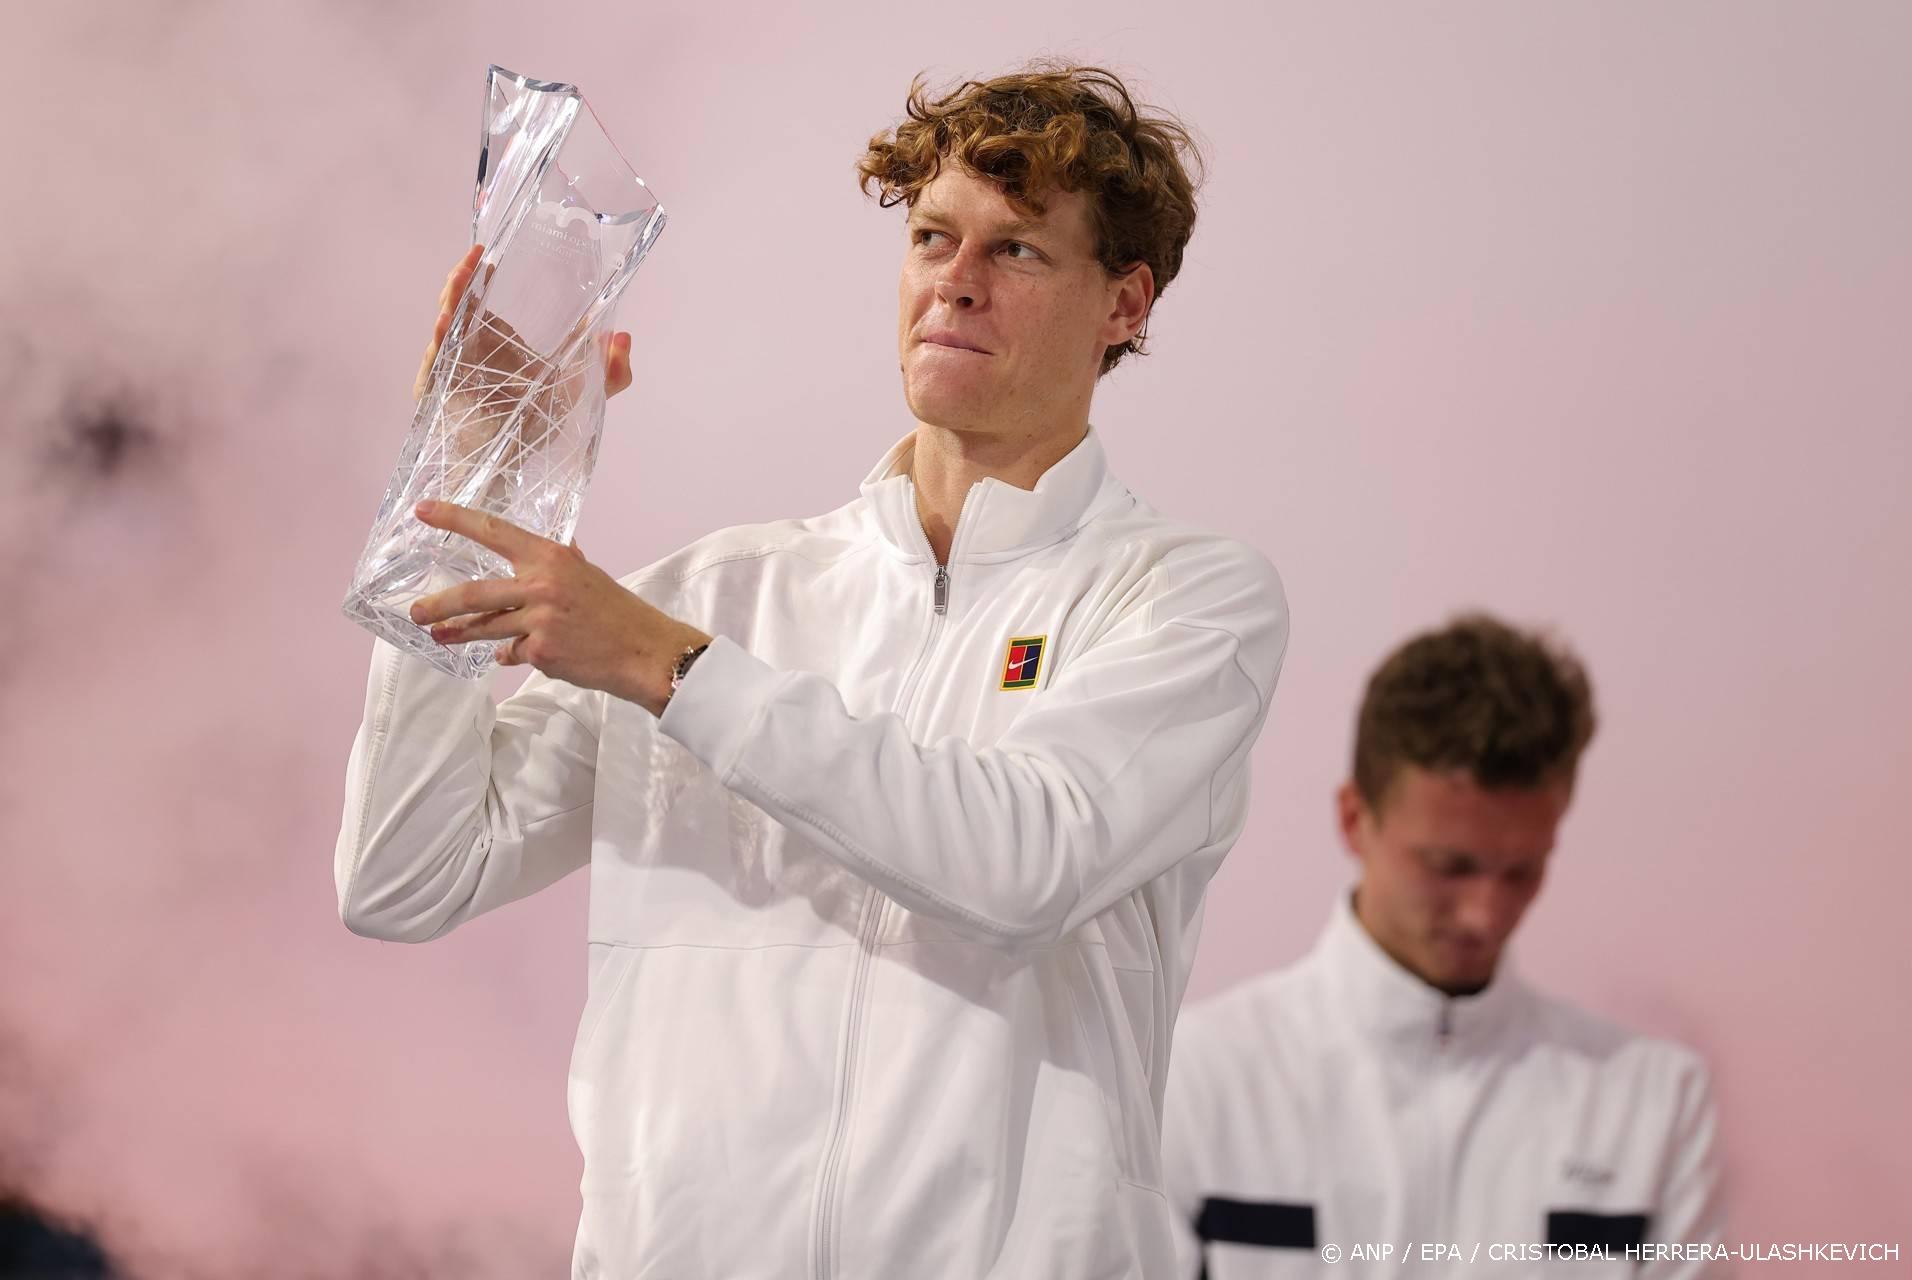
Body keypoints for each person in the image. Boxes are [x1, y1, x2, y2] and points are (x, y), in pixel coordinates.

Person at [335, 64, 1289, 1278]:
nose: (956, 279)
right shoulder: (712, 593)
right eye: (935, 237)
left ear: (1125, 302)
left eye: (1019, 252)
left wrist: (668, 666)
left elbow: (1022, 865)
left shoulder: (1187, 594)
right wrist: (471, 483)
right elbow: (406, 874)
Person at [1162, 615, 1727, 1279]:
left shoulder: (1652, 1102)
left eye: (1522, 871)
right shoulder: (1193, 1080)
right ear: (1354, 819)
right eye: (1448, 866)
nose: (1485, 914)